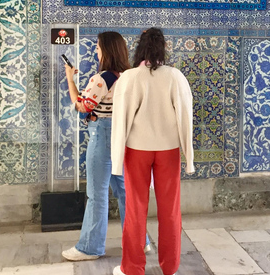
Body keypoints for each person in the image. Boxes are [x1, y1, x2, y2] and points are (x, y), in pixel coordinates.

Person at [111, 28, 194, 275]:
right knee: (170, 210)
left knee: (135, 210)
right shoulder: (174, 76)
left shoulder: (129, 77)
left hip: (136, 150)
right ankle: (171, 267)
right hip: (168, 150)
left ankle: (133, 268)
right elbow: (186, 116)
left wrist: (116, 159)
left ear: (140, 47)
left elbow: (121, 120)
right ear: (163, 48)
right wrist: (188, 157)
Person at [62, 32, 150, 261]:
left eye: (99, 48)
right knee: (125, 192)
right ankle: (140, 242)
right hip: (122, 138)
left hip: (102, 136)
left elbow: (82, 106)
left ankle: (90, 247)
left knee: (97, 194)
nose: (97, 52)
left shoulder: (101, 79)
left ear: (107, 51)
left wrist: (70, 79)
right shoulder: (129, 77)